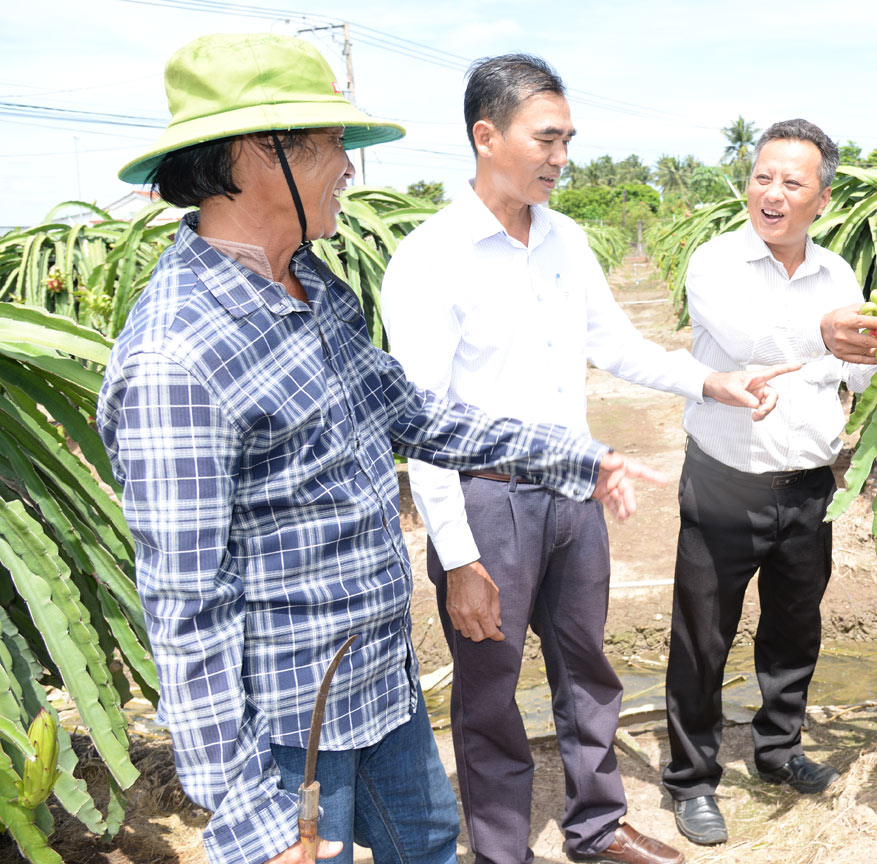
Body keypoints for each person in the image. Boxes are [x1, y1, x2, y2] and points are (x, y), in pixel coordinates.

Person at [98, 34, 660, 864]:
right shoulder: (176, 358)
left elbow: (414, 412)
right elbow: (188, 610)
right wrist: (252, 823)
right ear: (263, 155)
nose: (350, 171)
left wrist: (576, 456)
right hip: (289, 722)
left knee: (430, 840)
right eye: (332, 148)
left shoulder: (311, 283)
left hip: (378, 679)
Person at [379, 55, 796, 864]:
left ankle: (597, 828)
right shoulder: (430, 258)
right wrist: (458, 557)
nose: (560, 157)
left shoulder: (563, 239)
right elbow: (422, 424)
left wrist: (713, 379)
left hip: (574, 490)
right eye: (546, 138)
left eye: (568, 139)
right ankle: (502, 849)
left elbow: (619, 347)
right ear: (485, 135)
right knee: (490, 692)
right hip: (485, 502)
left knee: (588, 672)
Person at [662, 119, 877, 846]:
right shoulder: (715, 263)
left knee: (795, 626)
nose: (772, 191)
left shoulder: (840, 276)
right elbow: (748, 343)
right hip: (724, 480)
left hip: (807, 485)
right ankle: (692, 781)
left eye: (792, 182)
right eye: (763, 175)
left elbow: (860, 371)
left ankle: (778, 750)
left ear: (821, 199)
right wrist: (825, 338)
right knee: (703, 637)